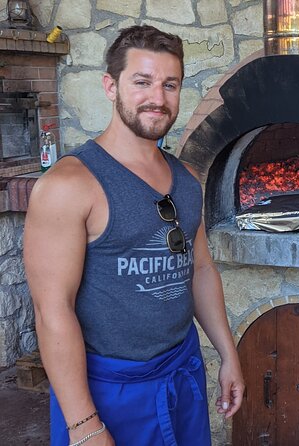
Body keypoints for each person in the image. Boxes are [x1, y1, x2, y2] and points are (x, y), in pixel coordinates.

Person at [24, 25, 244, 446]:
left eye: (170, 84)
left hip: (182, 371)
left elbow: (199, 269)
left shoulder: (185, 179)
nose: (157, 99)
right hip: (109, 389)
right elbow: (52, 311)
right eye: (142, 82)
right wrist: (83, 424)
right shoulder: (69, 185)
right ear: (111, 85)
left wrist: (227, 354)